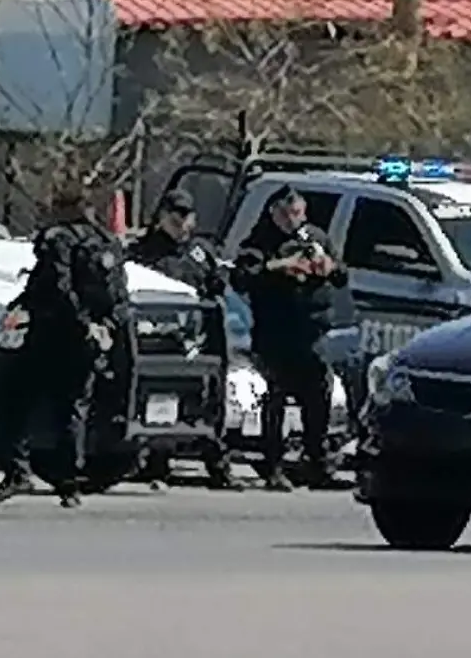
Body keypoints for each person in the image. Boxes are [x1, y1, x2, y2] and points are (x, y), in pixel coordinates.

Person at [0, 182, 124, 509]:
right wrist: (102, 327)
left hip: (50, 336)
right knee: (73, 409)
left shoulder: (57, 240)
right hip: (87, 340)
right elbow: (119, 298)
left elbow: (56, 287)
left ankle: (18, 471)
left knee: (15, 401)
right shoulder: (108, 243)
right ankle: (68, 483)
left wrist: (27, 309)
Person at [230, 186, 347, 491]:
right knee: (275, 399)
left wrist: (328, 266)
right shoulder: (259, 242)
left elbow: (341, 275)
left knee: (317, 396)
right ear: (274, 213)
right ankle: (273, 466)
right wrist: (281, 266)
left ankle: (317, 463)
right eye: (286, 214)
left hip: (311, 333)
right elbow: (242, 277)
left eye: (297, 214)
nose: (293, 221)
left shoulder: (316, 239)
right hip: (276, 335)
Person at [127, 187, 242, 491]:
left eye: (187, 216)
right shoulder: (142, 252)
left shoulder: (200, 252)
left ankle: (217, 466)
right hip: (155, 343)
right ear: (162, 216)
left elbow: (217, 286)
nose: (182, 223)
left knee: (208, 403)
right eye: (175, 216)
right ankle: (156, 464)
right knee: (157, 402)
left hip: (196, 344)